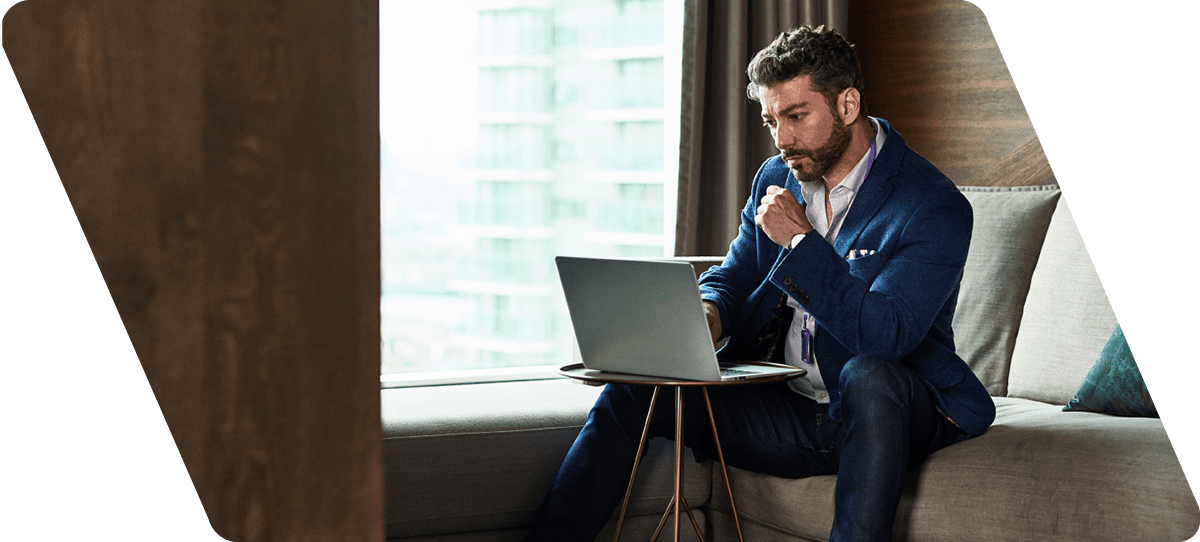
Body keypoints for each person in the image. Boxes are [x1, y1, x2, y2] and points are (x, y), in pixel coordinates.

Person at [526, 26, 995, 542]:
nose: (782, 139)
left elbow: (887, 337)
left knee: (869, 375)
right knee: (632, 393)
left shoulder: (932, 205)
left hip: (889, 412)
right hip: (789, 407)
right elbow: (734, 274)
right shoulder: (777, 175)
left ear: (848, 104)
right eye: (772, 120)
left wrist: (800, 243)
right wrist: (707, 316)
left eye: (796, 116)